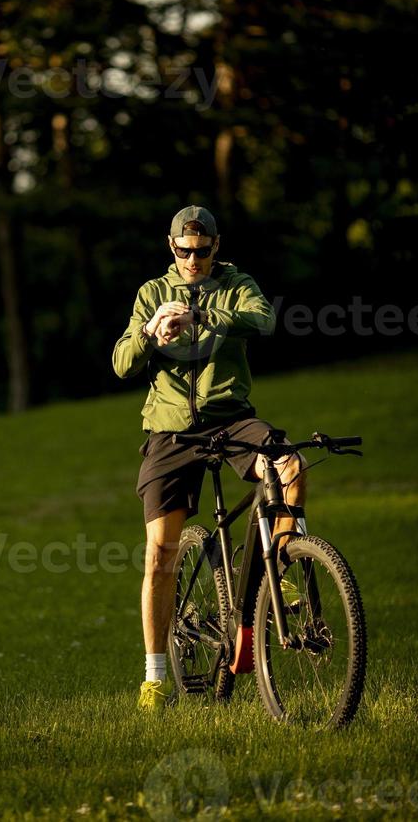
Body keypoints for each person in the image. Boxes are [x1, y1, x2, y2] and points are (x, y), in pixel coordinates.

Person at [112, 205, 306, 712]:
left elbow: (263, 320)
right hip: (170, 430)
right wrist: (151, 332)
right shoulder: (152, 293)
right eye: (183, 251)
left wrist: (201, 314)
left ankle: (275, 576)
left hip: (231, 416)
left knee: (289, 467)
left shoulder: (236, 283)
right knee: (160, 555)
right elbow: (120, 364)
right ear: (170, 246)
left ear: (215, 247)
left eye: (201, 251)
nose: (191, 259)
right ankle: (155, 676)